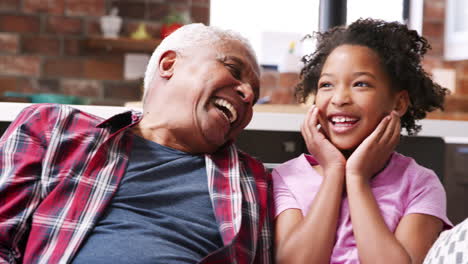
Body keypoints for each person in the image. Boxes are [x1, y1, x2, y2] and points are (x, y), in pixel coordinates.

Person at [0, 23, 273, 263]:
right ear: (169, 65)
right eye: (233, 69)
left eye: (254, 92)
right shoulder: (54, 128)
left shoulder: (254, 180)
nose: (248, 94)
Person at [273, 18, 452, 264]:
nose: (339, 98)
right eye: (327, 85)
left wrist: (357, 178)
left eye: (360, 84)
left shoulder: (420, 184)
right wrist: (335, 171)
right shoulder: (288, 177)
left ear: (398, 103)